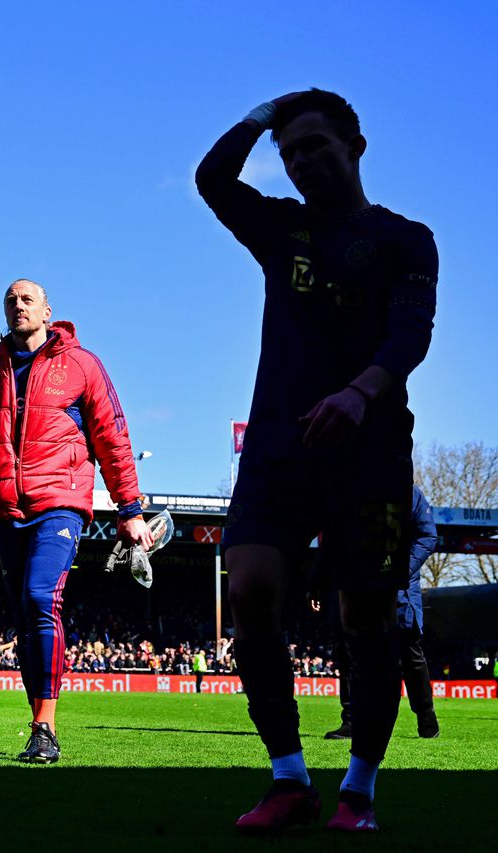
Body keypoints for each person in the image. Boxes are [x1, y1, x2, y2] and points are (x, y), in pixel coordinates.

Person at [196, 90, 438, 832]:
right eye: (290, 151)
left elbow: (409, 337)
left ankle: (358, 790)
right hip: (277, 442)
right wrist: (264, 116)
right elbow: (211, 180)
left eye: (315, 146)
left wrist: (361, 393)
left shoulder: (404, 238)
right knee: (253, 588)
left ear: (355, 147)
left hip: (368, 445)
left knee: (365, 613)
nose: (300, 161)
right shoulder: (280, 229)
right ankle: (288, 778)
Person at [0, 279, 152, 763]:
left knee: (42, 597)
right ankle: (38, 723)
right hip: (6, 510)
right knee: (25, 615)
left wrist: (130, 510)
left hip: (60, 504)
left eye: (27, 300)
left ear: (48, 312)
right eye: (10, 300)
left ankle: (46, 725)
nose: (17, 306)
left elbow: (113, 437)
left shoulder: (82, 365)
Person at [319, 486, 439, 740]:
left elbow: (428, 536)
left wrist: (399, 569)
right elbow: (332, 540)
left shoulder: (410, 493)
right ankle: (351, 721)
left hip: (398, 592)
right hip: (353, 585)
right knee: (349, 654)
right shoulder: (348, 491)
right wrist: (318, 583)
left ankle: (426, 717)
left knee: (409, 655)